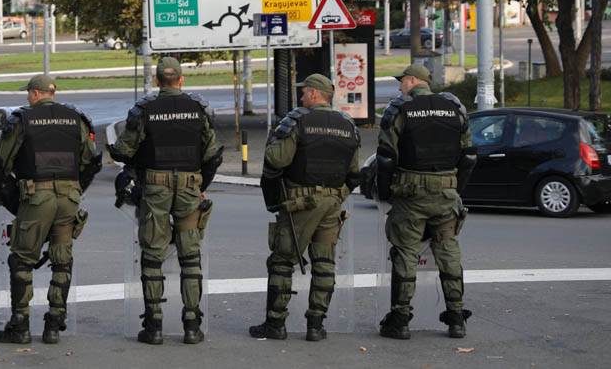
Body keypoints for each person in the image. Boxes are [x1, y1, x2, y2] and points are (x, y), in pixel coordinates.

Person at [109, 57, 223, 345]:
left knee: (153, 255)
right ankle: (192, 325)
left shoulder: (145, 110)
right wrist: (200, 186)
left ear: (157, 80)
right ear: (181, 79)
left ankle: (154, 325)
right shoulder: (198, 109)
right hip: (189, 186)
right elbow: (212, 155)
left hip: (156, 187)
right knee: (190, 256)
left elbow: (122, 151)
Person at [0, 74, 101, 345]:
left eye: (29, 93)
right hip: (69, 195)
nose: (28, 97)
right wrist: (76, 188)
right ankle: (54, 324)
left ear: (36, 94)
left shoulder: (23, 119)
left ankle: (20, 324)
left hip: (37, 196)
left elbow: (0, 161)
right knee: (62, 259)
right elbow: (92, 160)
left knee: (22, 259)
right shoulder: (76, 119)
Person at [250, 73, 360, 342]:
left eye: (304, 92)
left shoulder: (298, 121)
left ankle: (275, 323)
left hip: (300, 203)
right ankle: (316, 324)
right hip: (333, 203)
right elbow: (355, 173)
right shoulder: (348, 125)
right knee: (324, 263)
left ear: (313, 94)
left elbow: (276, 160)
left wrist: (273, 142)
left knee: (282, 261)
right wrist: (338, 195)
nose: (301, 97)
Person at [376, 64, 475, 340]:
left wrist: (385, 192)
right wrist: (456, 188)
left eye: (401, 82)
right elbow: (468, 156)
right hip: (446, 194)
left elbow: (386, 156)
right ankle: (456, 318)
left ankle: (400, 318)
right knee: (449, 253)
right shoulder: (454, 109)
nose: (399, 87)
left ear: (412, 80)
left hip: (411, 195)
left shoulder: (401, 110)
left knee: (406, 254)